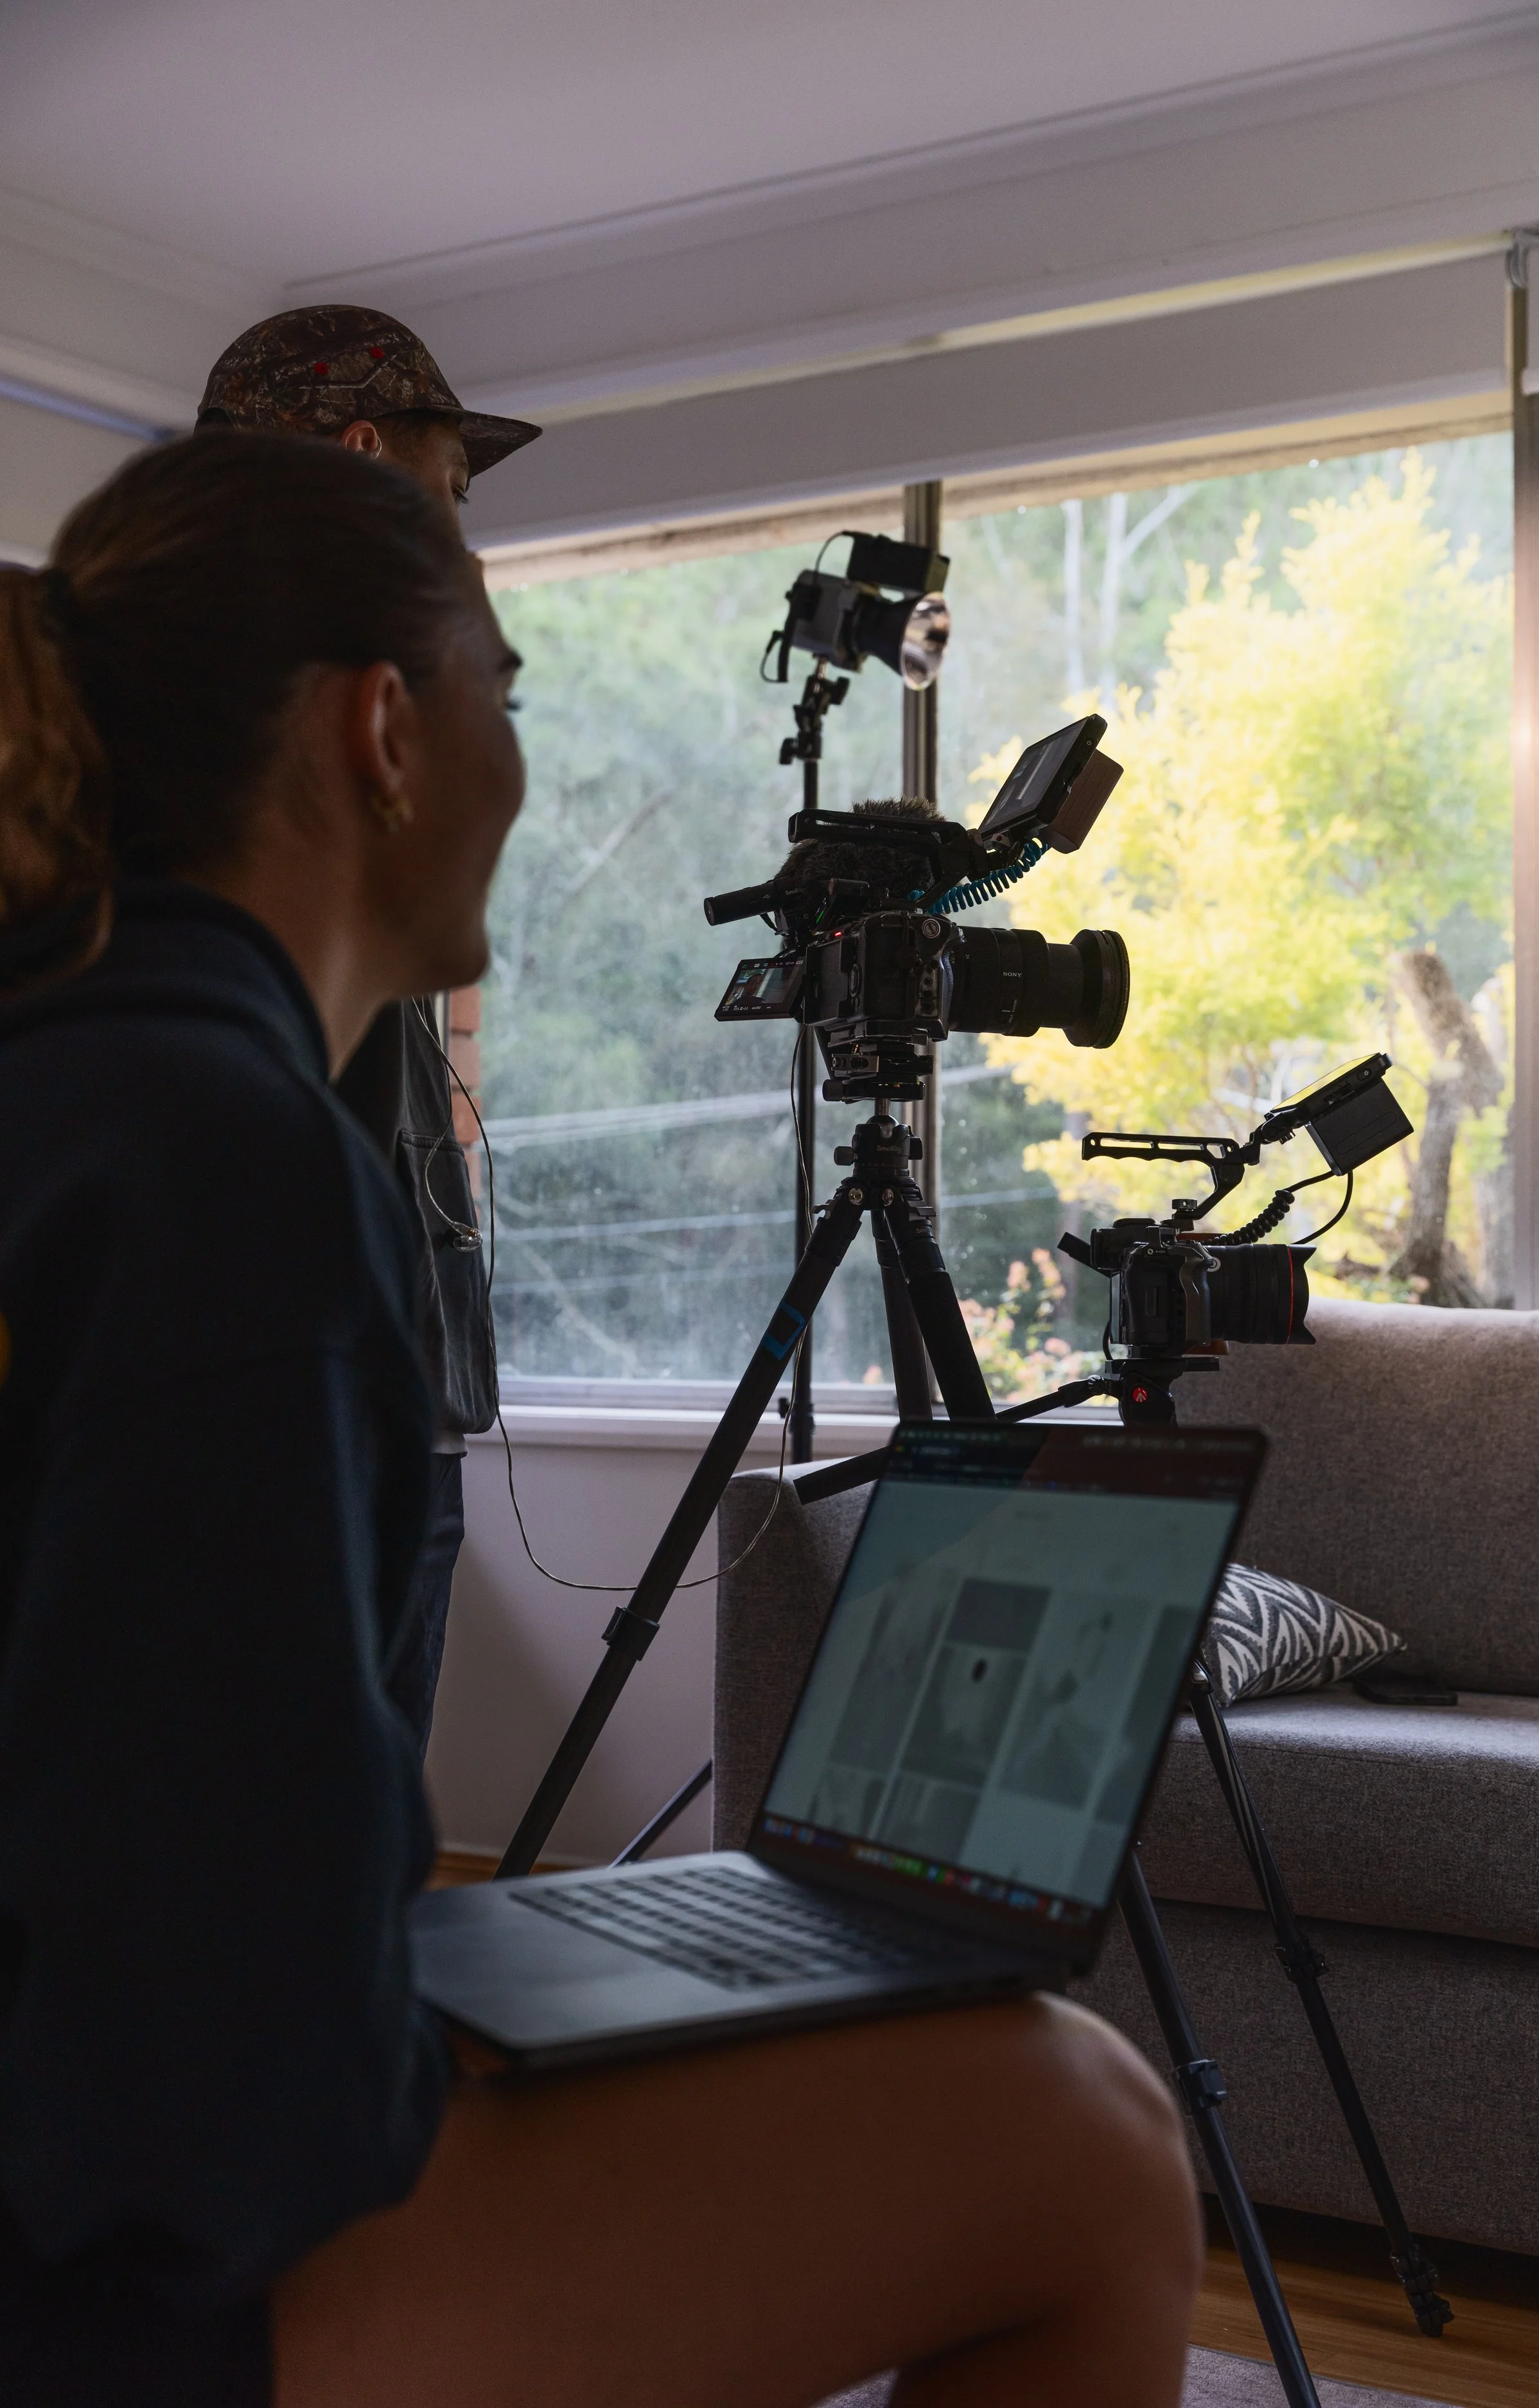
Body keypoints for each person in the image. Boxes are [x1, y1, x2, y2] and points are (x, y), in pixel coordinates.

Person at [0, 432, 1200, 2408]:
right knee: (1079, 2137)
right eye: (509, 693)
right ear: (383, 729)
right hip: (88, 2294)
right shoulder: (229, 1170)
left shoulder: (64, 1088)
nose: (519, 760)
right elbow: (221, 2122)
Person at [195, 303, 541, 1749]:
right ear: (356, 453)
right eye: (448, 493)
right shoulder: (225, 729)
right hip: (303, 1400)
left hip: (397, 1376)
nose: (464, 549)